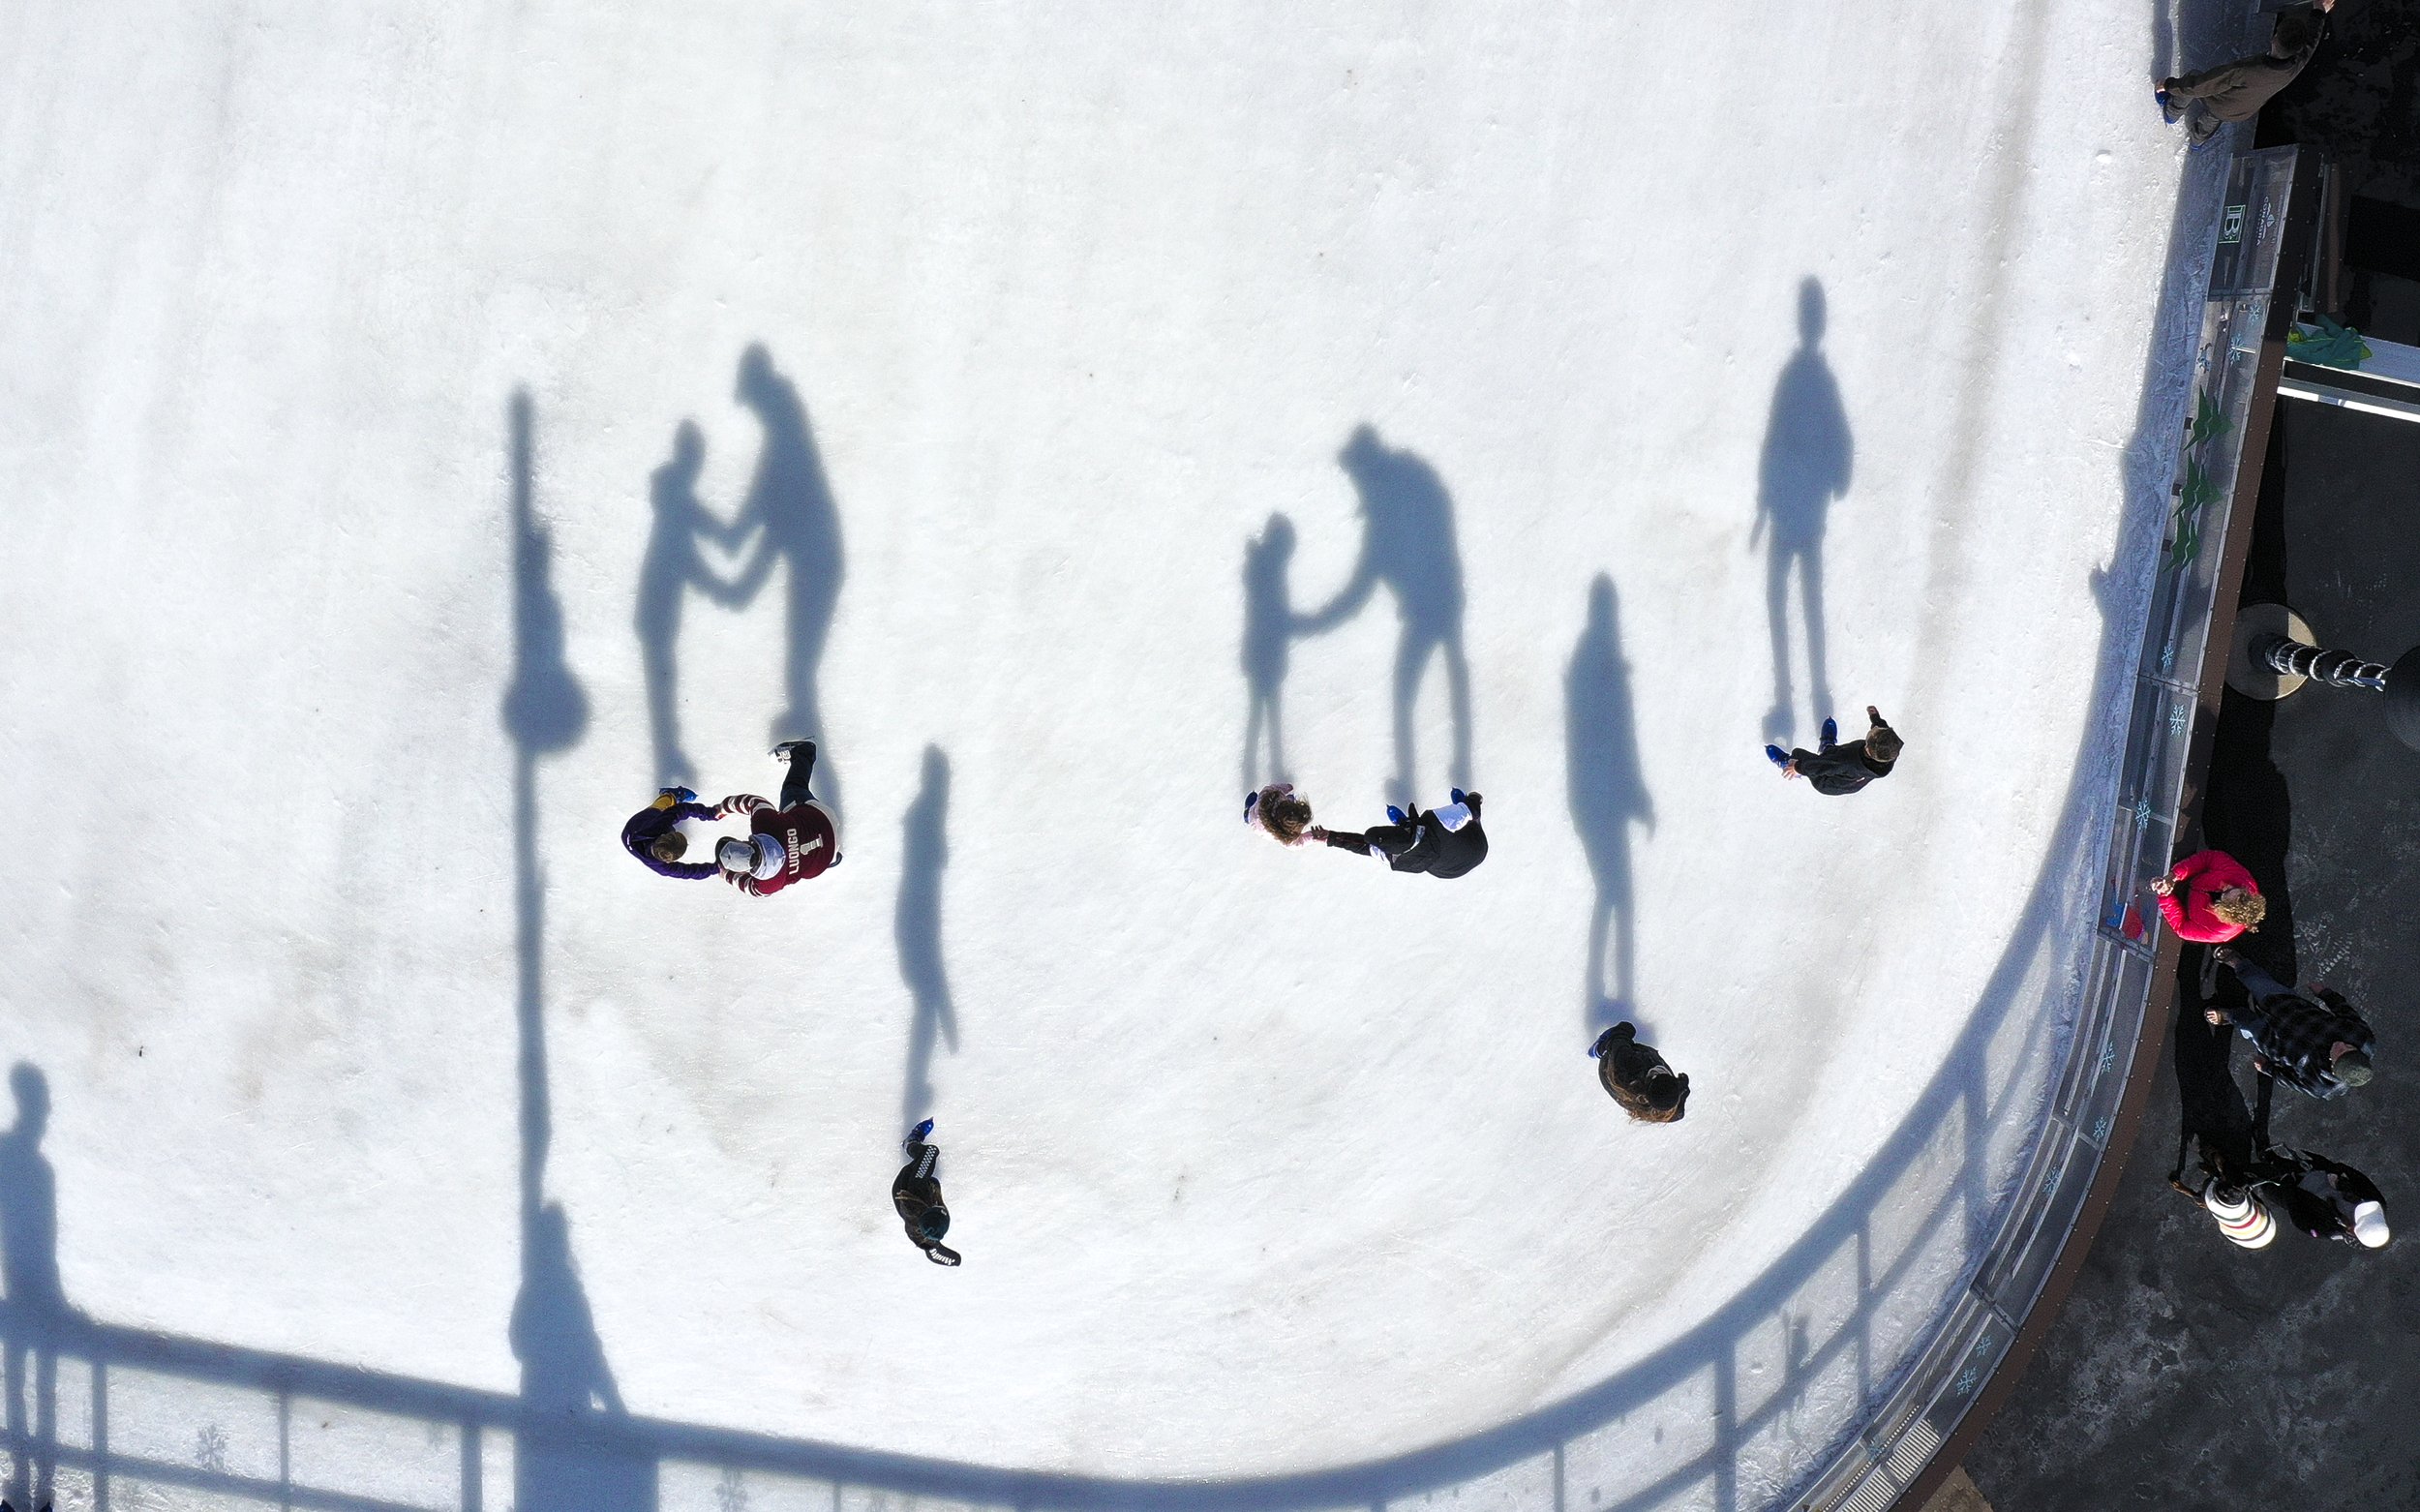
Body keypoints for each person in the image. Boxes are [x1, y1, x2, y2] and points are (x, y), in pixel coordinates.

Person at [2206, 947, 2375, 1100]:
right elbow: (2345, 1010)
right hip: (2289, 1007)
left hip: (2271, 1041)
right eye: (2350, 1047)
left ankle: (2229, 1017)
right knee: (2257, 981)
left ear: (2333, 1066)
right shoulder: (2361, 1037)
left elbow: (2289, 1080)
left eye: (2340, 1052)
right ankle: (2238, 963)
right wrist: (2325, 993)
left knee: (2248, 1024)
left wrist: (2267, 1068)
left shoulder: (2320, 1086)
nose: (2342, 1044)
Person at [2158, 1, 2333, 146]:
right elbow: (2312, 41)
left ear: (2274, 39)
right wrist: (2319, 12)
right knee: (2213, 118)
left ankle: (2172, 112)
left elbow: (2200, 86)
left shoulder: (2247, 71)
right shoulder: (2296, 64)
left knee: (2193, 76)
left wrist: (2169, 85)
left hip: (2220, 102)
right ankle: (2197, 141)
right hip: (2242, 111)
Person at [716, 741, 842, 895]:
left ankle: (834, 857)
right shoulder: (766, 825)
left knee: (809, 862)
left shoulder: (766, 885)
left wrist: (724, 874)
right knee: (793, 788)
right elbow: (753, 802)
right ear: (744, 843)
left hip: (825, 858)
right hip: (822, 819)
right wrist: (724, 807)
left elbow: (747, 886)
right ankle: (804, 751)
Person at [1312, 791, 1488, 878]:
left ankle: (1460, 815)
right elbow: (1474, 804)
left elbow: (1363, 847)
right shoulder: (1439, 822)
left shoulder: (1394, 858)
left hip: (1454, 864)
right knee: (1466, 815)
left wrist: (1330, 837)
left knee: (1464, 818)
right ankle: (1462, 814)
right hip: (1465, 854)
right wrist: (1471, 800)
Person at [2262, 1147, 2389, 1249]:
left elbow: (2297, 1217)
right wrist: (2333, 1171)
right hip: (2315, 1173)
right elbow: (2358, 1177)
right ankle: (2266, 1153)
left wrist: (2287, 1185)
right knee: (2270, 1157)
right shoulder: (2374, 1203)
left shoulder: (2329, 1230)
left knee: (2260, 1178)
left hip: (2293, 1191)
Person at [1766, 706, 1900, 795]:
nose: (1874, 728)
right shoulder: (1890, 751)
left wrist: (1798, 767)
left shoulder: (1847, 762)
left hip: (1826, 781)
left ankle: (1787, 764)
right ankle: (1828, 747)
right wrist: (1876, 718)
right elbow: (1884, 735)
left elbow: (1821, 766)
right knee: (1834, 755)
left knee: (1799, 753)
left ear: (1868, 748)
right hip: (1849, 779)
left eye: (1873, 731)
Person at [2151, 850, 2266, 943]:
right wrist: (2175, 875)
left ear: (2224, 911)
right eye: (2234, 888)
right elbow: (2209, 858)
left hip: (2177, 902)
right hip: (2187, 871)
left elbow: (2181, 927)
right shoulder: (2243, 880)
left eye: (2226, 893)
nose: (2227, 886)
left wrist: (2166, 896)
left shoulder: (2218, 932)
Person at [1588, 1022, 1689, 1123]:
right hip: (1640, 1070)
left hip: (1609, 1069)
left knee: (1626, 1029)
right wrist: (1683, 1091)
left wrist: (1623, 1032)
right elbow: (1678, 1115)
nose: (1658, 1070)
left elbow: (1617, 1041)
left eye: (1655, 1075)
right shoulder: (1668, 1106)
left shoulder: (1631, 1069)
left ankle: (1598, 1050)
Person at [892, 1119, 961, 1266]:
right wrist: (935, 1249)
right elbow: (931, 1244)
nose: (941, 1206)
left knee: (930, 1152)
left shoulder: (915, 1187)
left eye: (939, 1208)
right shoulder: (922, 1232)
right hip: (910, 1196)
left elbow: (929, 1157)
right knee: (933, 1181)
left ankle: (911, 1142)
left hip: (907, 1184)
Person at [620, 786, 724, 880]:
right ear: (668, 862)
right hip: (632, 836)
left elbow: (681, 809)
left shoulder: (660, 825)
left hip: (639, 822)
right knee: (666, 813)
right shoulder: (662, 867)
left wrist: (710, 813)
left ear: (663, 834)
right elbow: (688, 872)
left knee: (663, 805)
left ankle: (670, 794)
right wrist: (715, 868)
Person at [1244, 783, 1316, 846]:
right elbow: (1299, 843)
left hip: (1259, 813)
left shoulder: (1274, 797)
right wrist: (1313, 837)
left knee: (1254, 805)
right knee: (1251, 814)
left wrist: (1286, 787)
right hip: (1255, 820)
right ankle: (1247, 815)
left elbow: (1271, 788)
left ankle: (1249, 813)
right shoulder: (1284, 837)